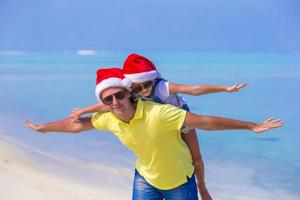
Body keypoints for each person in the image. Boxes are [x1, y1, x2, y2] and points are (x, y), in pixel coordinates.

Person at [25, 68, 283, 200]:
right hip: (145, 179)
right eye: (108, 99)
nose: (115, 102)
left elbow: (205, 121)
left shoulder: (159, 114)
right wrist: (43, 129)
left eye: (119, 95)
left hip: (180, 182)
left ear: (130, 94)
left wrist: (251, 126)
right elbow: (75, 125)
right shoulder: (108, 118)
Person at [68, 54, 246, 200]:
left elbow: (193, 89)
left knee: (195, 158)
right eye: (138, 87)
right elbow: (106, 104)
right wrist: (83, 111)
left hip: (180, 118)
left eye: (146, 84)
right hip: (161, 125)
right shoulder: (134, 96)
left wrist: (225, 89)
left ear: (153, 79)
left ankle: (203, 189)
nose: (144, 90)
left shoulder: (162, 87)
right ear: (132, 88)